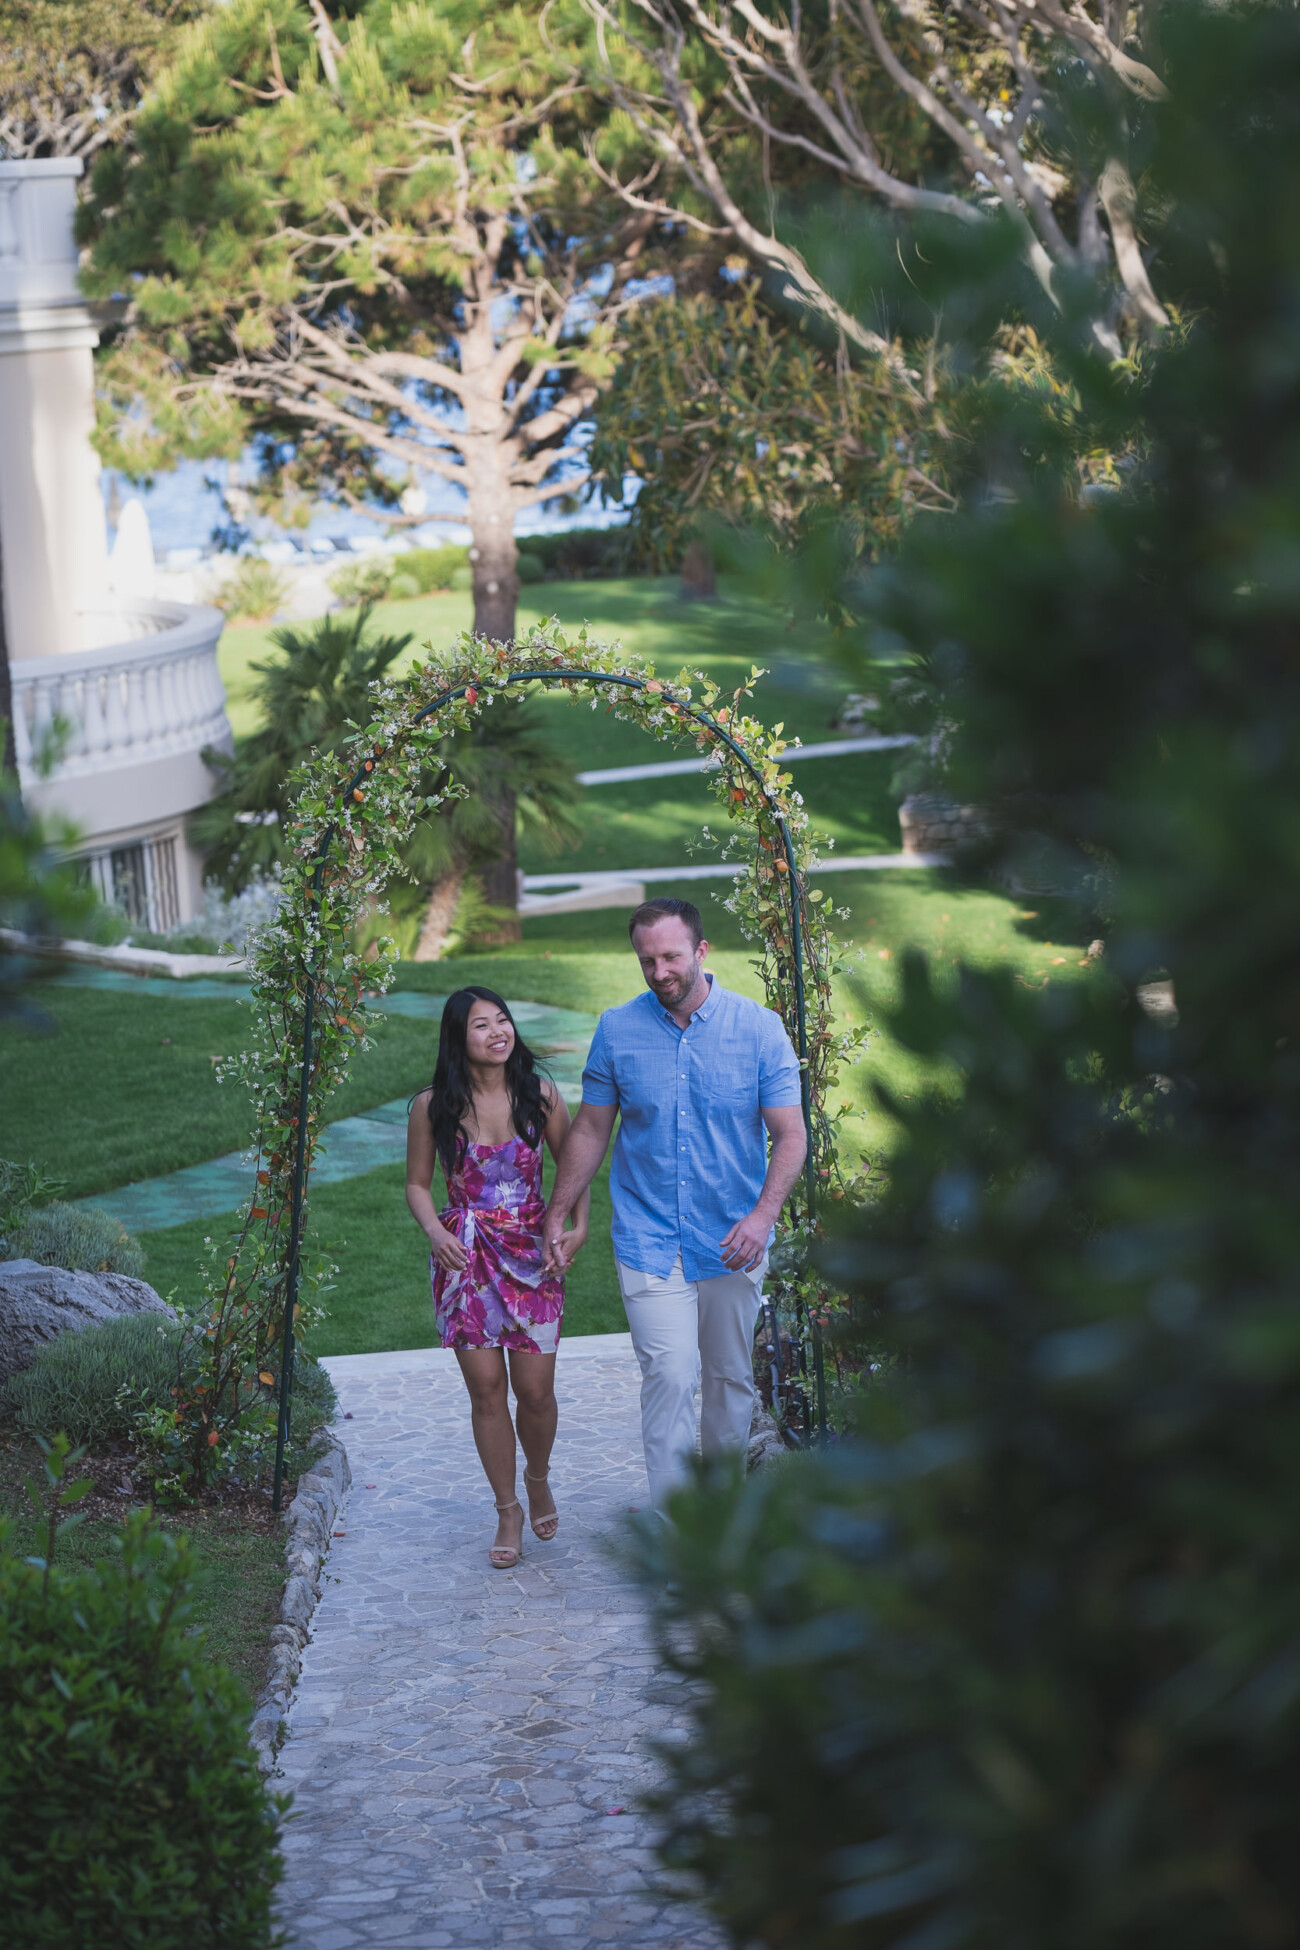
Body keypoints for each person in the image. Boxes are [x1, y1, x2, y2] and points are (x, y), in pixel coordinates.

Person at [542, 898, 807, 1509]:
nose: (659, 971)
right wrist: (559, 1206)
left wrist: (763, 1217)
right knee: (670, 1375)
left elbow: (790, 1135)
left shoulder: (759, 1028)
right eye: (646, 961)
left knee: (729, 1380)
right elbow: (589, 1129)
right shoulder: (617, 1030)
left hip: (733, 1239)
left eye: (670, 956)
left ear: (701, 952)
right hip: (649, 1235)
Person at [406, 987, 589, 1569]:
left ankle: (538, 1477)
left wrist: (576, 1228)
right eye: (481, 1025)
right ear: (459, 1039)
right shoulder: (432, 1105)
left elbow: (575, 1166)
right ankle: (507, 1507)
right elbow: (416, 1184)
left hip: (533, 1253)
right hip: (466, 1257)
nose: (497, 1032)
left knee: (534, 1392)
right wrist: (436, 1232)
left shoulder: (540, 1093)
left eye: (502, 1020)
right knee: (486, 1390)